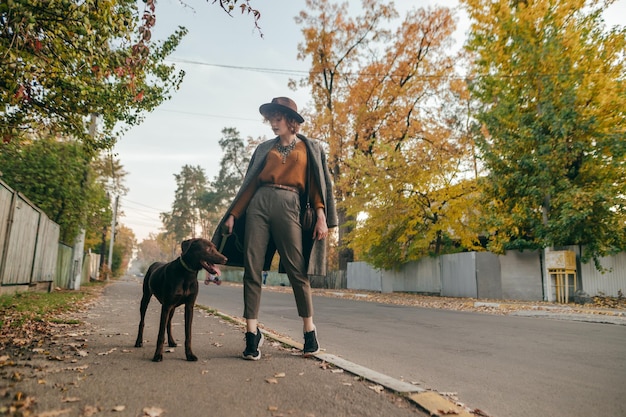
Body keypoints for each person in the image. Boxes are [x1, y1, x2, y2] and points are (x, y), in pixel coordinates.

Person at [212, 97, 337, 361]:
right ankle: (251, 335)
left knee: (296, 269)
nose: (273, 124)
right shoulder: (264, 149)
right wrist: (234, 214)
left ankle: (309, 331)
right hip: (258, 205)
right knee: (252, 268)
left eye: (278, 119)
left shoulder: (309, 148)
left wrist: (321, 217)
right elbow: (250, 184)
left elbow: (317, 187)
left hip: (290, 204)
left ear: (291, 121)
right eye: (271, 120)